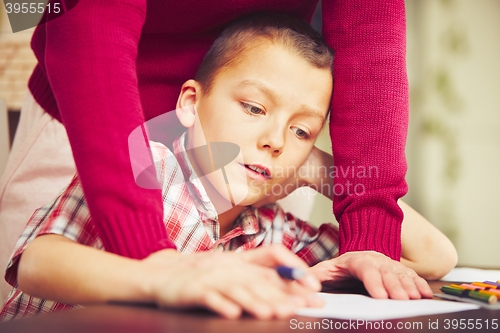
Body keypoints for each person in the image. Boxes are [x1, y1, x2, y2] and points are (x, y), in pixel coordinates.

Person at [0, 13, 457, 321]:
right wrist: (155, 279)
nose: (274, 140)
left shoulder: (273, 233)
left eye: (301, 130)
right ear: (190, 103)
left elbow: (435, 256)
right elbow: (35, 264)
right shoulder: (149, 167)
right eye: (255, 109)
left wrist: (308, 164)